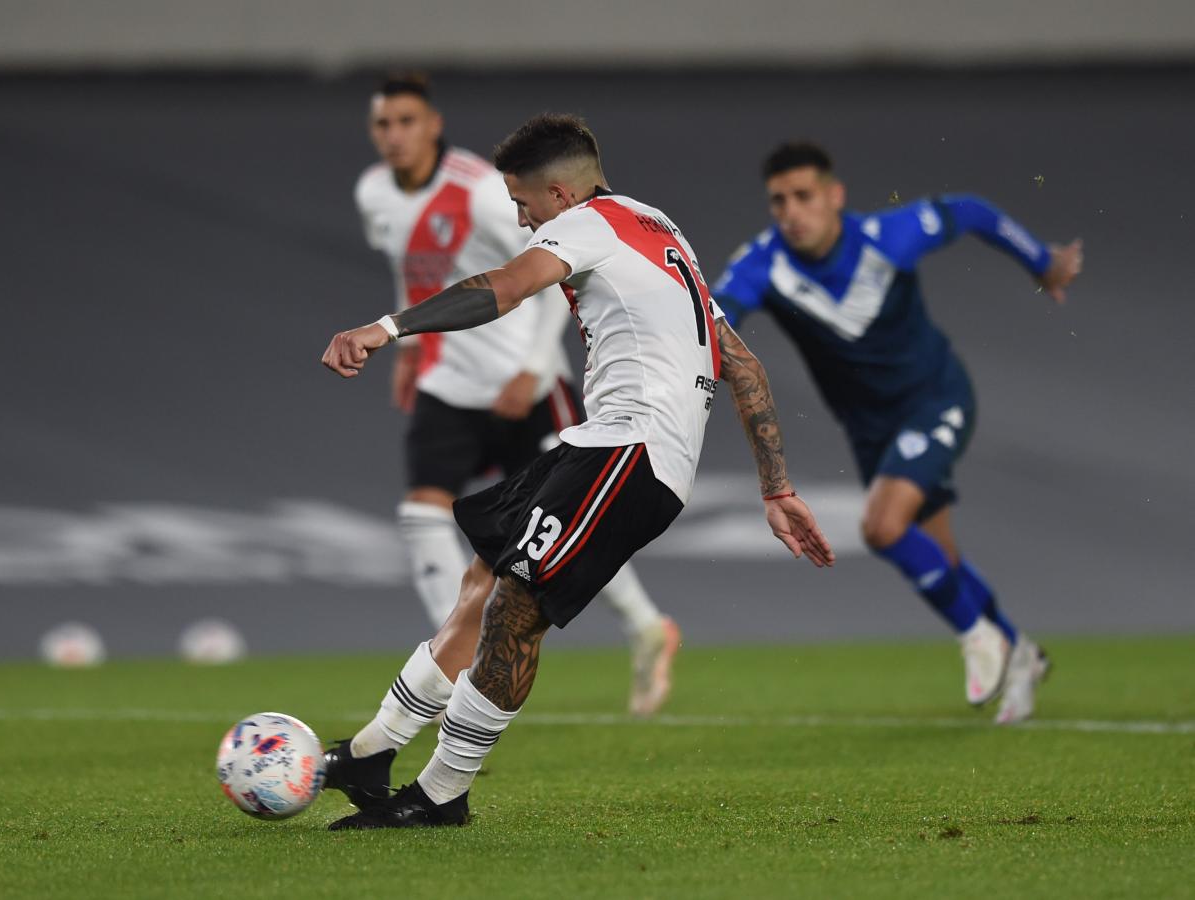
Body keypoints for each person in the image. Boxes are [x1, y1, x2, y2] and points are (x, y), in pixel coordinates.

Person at [320, 113, 835, 829]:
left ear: (561, 195)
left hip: (634, 451)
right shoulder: (656, 228)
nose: (519, 217)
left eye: (523, 203)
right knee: (484, 577)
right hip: (604, 444)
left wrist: (387, 328)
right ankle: (374, 752)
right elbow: (742, 364)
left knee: (516, 608)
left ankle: (441, 794)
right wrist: (776, 488)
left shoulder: (588, 224)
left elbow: (503, 287)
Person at [712, 142, 1083, 724]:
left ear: (835, 197)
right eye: (778, 201)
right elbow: (711, 321)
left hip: (936, 398)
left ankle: (980, 638)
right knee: (942, 560)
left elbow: (970, 210)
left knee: (883, 527)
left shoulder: (889, 237)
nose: (791, 212)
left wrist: (1041, 260)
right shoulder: (764, 264)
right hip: (870, 431)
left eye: (804, 196)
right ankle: (1020, 651)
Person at [355, 74, 680, 716]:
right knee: (423, 514)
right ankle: (458, 660)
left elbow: (550, 269)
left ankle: (646, 626)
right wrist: (410, 348)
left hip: (522, 385)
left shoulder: (480, 191)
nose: (393, 136)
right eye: (383, 124)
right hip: (449, 385)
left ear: (432, 125)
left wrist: (532, 366)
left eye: (406, 122)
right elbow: (411, 270)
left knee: (562, 528)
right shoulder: (374, 193)